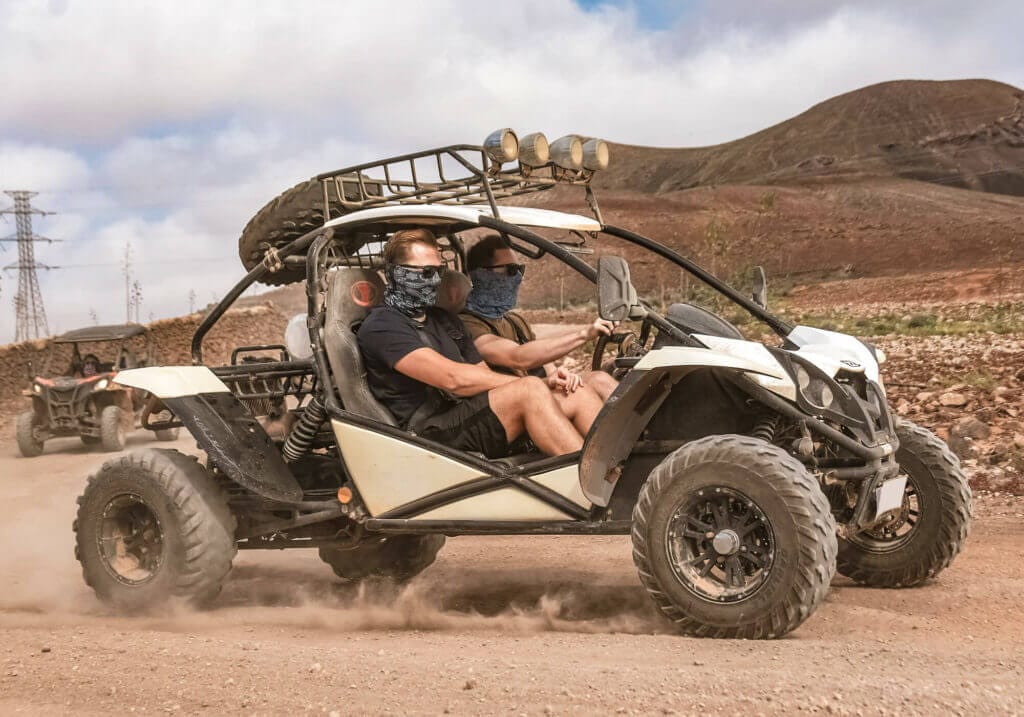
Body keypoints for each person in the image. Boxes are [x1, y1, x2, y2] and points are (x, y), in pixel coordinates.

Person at [357, 228, 604, 458]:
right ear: (394, 274)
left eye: (438, 272)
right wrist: (537, 383)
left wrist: (548, 385)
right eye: (424, 273)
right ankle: (591, 487)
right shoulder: (383, 326)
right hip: (427, 432)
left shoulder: (444, 320)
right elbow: (453, 379)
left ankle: (616, 476)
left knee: (575, 391)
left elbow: (481, 375)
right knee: (529, 389)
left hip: (465, 414)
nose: (433, 281)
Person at [459, 234, 619, 401]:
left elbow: (546, 366)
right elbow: (517, 357)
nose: (518, 278)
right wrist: (585, 334)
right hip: (515, 404)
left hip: (536, 392)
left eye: (519, 270)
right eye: (511, 270)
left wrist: (562, 375)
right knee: (581, 396)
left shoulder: (514, 322)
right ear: (482, 275)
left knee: (599, 379)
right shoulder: (467, 324)